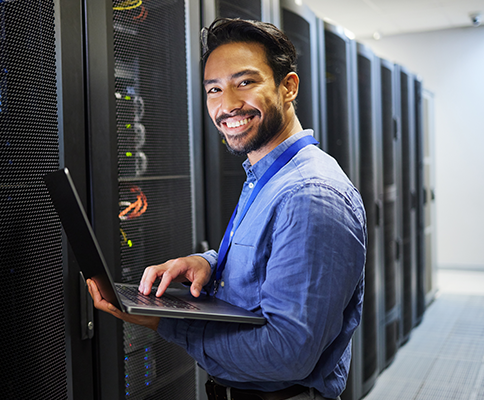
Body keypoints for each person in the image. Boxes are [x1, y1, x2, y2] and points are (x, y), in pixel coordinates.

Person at [87, 18, 366, 400]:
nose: (227, 105)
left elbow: (287, 356)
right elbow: (270, 261)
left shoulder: (310, 195)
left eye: (245, 82)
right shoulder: (267, 176)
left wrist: (164, 322)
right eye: (214, 89)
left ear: (288, 87)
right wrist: (209, 263)